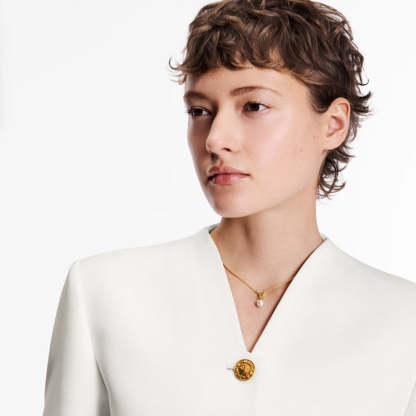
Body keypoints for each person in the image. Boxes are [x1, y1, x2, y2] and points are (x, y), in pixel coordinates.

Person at [42, 0, 416, 414]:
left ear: (333, 124)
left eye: (254, 106)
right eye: (200, 111)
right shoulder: (104, 292)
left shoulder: (404, 322)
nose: (215, 138)